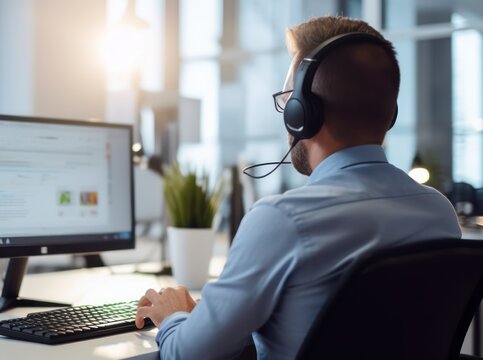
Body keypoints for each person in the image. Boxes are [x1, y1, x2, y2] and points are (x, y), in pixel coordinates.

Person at [134, 16, 462, 359]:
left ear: (302, 113)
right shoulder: (439, 213)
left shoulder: (284, 221)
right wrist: (213, 315)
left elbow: (188, 355)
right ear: (389, 113)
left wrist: (174, 317)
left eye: (287, 99)